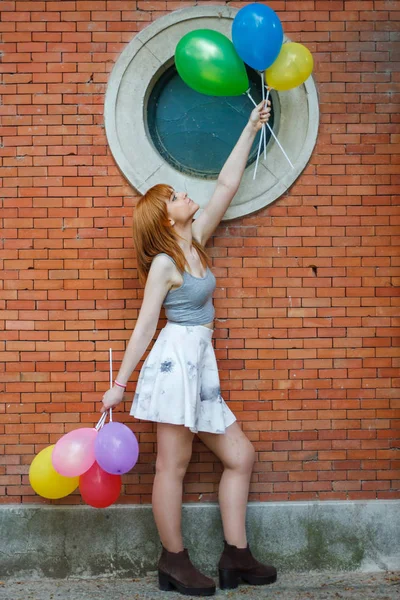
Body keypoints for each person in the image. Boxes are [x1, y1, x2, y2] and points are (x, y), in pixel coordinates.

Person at [101, 100, 277, 597]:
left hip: (201, 364)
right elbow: (143, 327)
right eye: (175, 195)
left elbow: (226, 185)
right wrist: (119, 386)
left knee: (241, 456)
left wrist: (250, 126)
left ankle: (235, 556)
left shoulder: (196, 242)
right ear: (164, 217)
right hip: (175, 361)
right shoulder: (163, 263)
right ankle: (174, 562)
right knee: (171, 467)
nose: (185, 194)